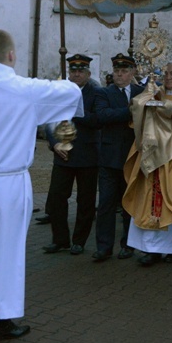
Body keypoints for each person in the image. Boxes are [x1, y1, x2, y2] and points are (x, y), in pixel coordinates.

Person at [0, 29, 81, 339]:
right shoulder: (25, 89)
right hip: (10, 182)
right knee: (7, 251)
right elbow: (71, 92)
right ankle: (3, 317)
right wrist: (64, 78)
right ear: (11, 55)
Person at [123, 61, 172, 266]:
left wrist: (160, 107)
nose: (168, 77)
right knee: (147, 201)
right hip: (150, 156)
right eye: (166, 73)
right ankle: (150, 249)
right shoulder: (154, 93)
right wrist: (145, 102)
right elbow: (136, 108)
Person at [42, 54, 101, 256]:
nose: (76, 74)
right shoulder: (60, 91)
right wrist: (54, 142)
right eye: (73, 71)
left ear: (88, 73)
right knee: (57, 198)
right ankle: (60, 239)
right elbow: (49, 121)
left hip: (87, 154)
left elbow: (98, 120)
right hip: (63, 153)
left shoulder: (96, 92)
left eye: (80, 71)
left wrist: (77, 113)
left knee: (85, 201)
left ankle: (79, 241)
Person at [92, 53, 144, 262]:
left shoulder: (142, 92)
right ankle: (104, 247)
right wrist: (130, 111)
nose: (119, 75)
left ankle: (128, 244)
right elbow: (103, 116)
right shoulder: (104, 93)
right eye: (116, 71)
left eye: (123, 71)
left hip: (133, 157)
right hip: (109, 158)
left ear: (132, 73)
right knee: (105, 204)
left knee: (129, 203)